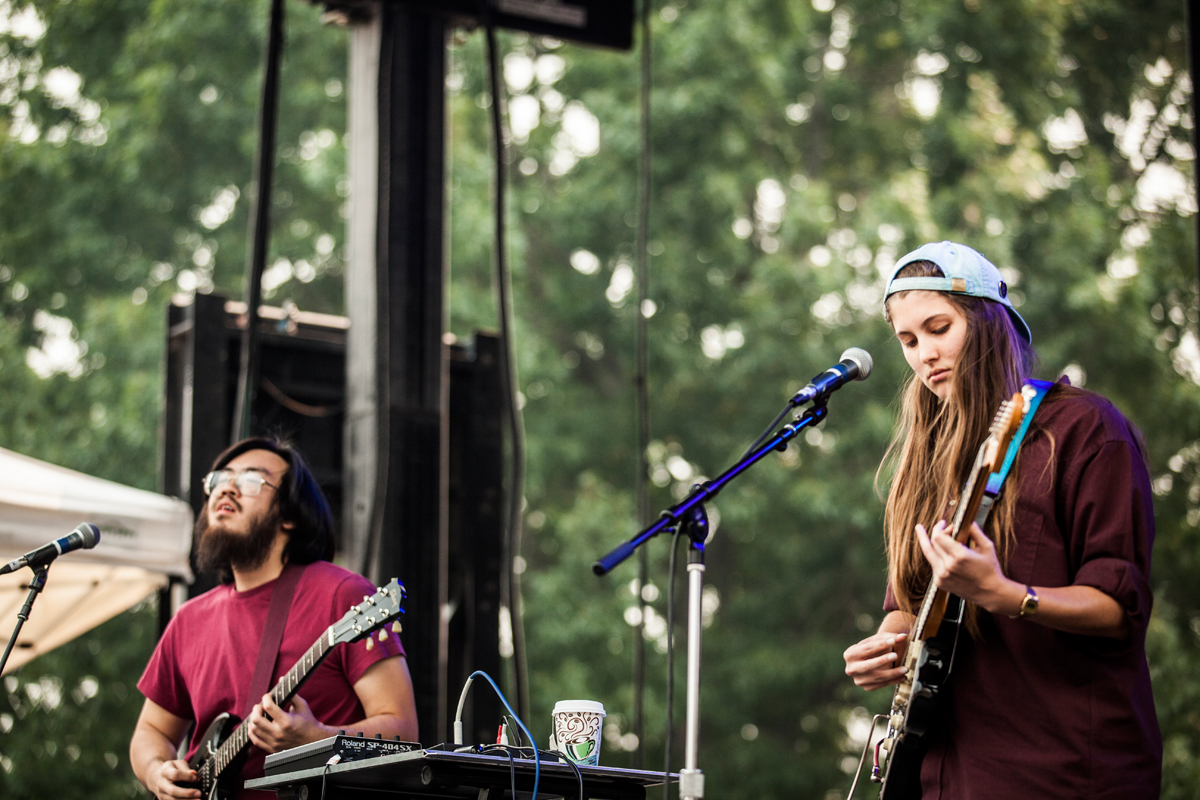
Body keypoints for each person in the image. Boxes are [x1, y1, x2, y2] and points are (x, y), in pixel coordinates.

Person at [842, 242, 1161, 798]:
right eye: (909, 340)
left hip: (1060, 772)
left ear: (990, 323)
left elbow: (1120, 608)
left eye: (939, 328)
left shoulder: (1085, 430)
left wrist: (1003, 592)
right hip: (941, 774)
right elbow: (906, 609)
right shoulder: (925, 460)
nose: (925, 355)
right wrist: (885, 648)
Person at [130, 437, 419, 800]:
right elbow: (151, 730)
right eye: (219, 479)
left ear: (289, 515)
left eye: (251, 480)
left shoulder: (342, 595)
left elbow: (403, 734)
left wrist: (315, 739)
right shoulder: (188, 620)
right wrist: (158, 771)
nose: (228, 488)